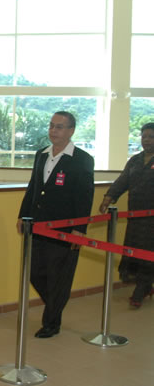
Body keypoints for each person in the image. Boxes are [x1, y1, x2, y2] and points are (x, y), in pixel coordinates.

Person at [17, 111, 94, 338]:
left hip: (65, 230)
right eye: (51, 126)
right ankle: (55, 303)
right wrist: (23, 215)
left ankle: (51, 322)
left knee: (58, 276)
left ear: (71, 131)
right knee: (35, 273)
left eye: (59, 127)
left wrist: (80, 229)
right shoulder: (41, 154)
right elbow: (33, 187)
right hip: (39, 226)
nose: (53, 130)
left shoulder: (82, 159)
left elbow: (85, 196)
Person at [99, 122, 154, 308]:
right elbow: (123, 181)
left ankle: (142, 288)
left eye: (151, 137)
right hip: (135, 216)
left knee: (148, 251)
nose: (147, 140)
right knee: (135, 250)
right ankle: (145, 285)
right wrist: (108, 197)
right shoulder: (135, 160)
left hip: (152, 219)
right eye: (144, 136)